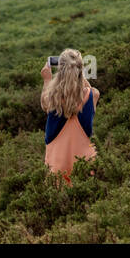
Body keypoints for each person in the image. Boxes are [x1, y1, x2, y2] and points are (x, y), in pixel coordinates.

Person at [40, 48, 99, 182]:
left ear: (60, 73)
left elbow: (44, 102)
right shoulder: (93, 95)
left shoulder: (52, 100)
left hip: (58, 170)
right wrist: (78, 75)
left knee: (60, 199)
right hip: (85, 167)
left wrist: (47, 79)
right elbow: (89, 90)